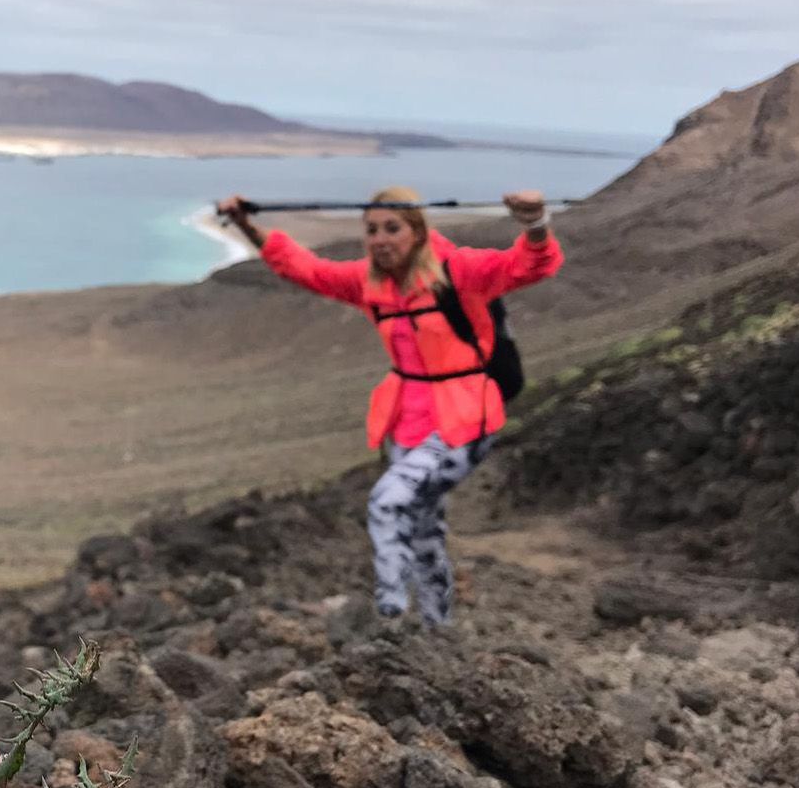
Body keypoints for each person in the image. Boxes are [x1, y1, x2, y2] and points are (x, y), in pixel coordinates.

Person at [215, 186, 563, 626]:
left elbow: (531, 265)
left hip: (464, 417)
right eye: (372, 230)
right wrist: (247, 224)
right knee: (424, 533)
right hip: (408, 422)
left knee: (388, 501)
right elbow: (306, 269)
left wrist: (534, 224)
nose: (380, 239)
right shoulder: (370, 283)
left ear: (417, 232)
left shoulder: (460, 271)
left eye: (392, 228)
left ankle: (391, 612)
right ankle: (439, 630)